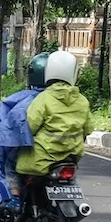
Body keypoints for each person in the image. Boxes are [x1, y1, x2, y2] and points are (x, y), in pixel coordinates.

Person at [15, 50, 94, 197]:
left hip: (43, 157)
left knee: (17, 171)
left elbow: (29, 127)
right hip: (72, 155)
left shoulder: (44, 98)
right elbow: (88, 129)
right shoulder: (82, 100)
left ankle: (17, 203)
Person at [0, 53, 49, 209]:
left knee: (5, 164)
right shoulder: (74, 99)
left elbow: (8, 123)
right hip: (65, 151)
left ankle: (14, 198)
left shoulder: (25, 99)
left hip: (32, 147)